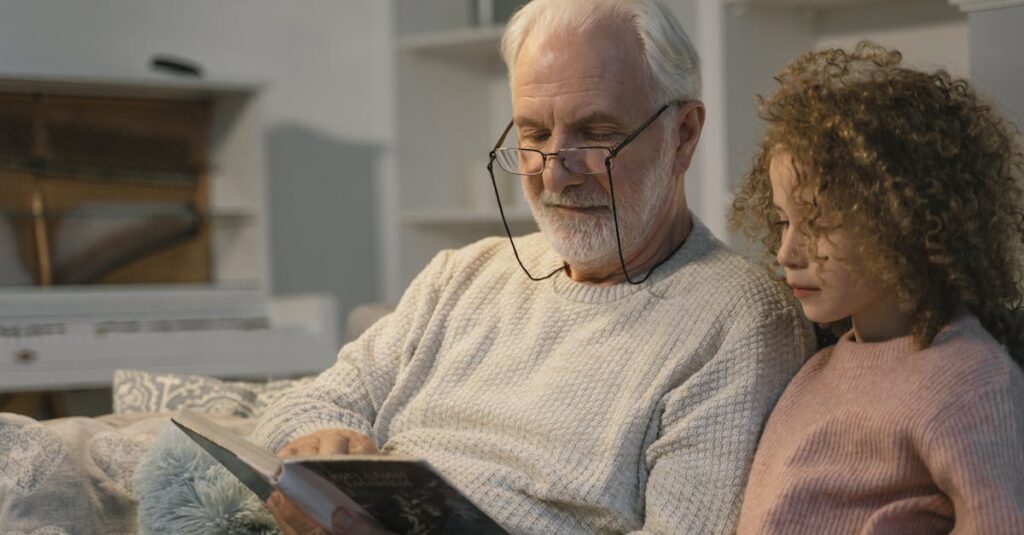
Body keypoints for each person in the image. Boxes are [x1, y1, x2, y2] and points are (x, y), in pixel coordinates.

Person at [259, 1, 812, 533]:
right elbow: (312, 402)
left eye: (596, 135)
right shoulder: (464, 273)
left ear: (683, 136)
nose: (554, 176)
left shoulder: (742, 322)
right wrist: (326, 443)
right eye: (534, 135)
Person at [731, 42, 1024, 534]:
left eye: (817, 222)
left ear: (903, 221)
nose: (786, 252)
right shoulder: (817, 369)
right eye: (783, 221)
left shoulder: (970, 381)